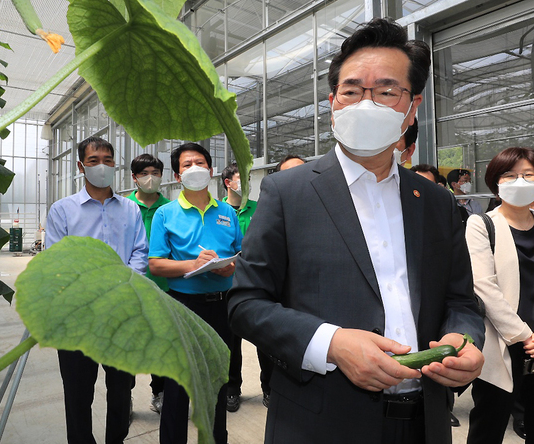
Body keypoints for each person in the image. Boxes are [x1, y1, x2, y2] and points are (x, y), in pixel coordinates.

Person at [227, 18, 485, 444]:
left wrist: (464, 340)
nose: (366, 103)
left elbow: (461, 299)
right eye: (351, 91)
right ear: (333, 102)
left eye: (386, 91)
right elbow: (246, 303)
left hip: (426, 422)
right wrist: (331, 343)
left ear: (411, 107)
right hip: (321, 423)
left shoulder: (436, 201)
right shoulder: (288, 192)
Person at [46, 136, 148, 444]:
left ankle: (115, 439)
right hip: (78, 319)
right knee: (77, 394)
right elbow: (57, 261)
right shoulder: (63, 211)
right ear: (81, 166)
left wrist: (122, 284)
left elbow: (140, 252)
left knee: (121, 391)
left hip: (121, 317)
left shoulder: (130, 210)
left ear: (114, 164)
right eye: (93, 161)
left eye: (107, 160)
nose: (101, 166)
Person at [149, 142, 242, 444]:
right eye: (187, 165)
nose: (194, 169)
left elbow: (242, 254)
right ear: (177, 175)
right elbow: (156, 264)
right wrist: (194, 264)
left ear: (211, 170)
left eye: (199, 162)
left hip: (222, 306)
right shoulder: (166, 213)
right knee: (178, 384)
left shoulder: (227, 211)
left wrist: (230, 267)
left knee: (216, 381)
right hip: (183, 305)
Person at [465, 147, 534, 444]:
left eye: (529, 175)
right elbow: (483, 285)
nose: (520, 181)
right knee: (489, 423)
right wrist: (524, 335)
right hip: (502, 341)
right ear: (496, 182)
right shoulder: (482, 224)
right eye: (510, 175)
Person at [220, 162, 270, 411]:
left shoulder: (259, 209)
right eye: (242, 178)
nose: (247, 183)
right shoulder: (217, 212)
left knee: (265, 339)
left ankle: (269, 387)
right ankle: (232, 389)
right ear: (228, 182)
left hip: (258, 283)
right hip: (228, 285)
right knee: (231, 342)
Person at [127, 153, 170, 414]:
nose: (150, 178)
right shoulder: (123, 206)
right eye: (144, 173)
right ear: (134, 177)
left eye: (155, 172)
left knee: (160, 343)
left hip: (163, 287)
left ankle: (159, 391)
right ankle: (124, 394)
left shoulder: (170, 208)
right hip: (130, 287)